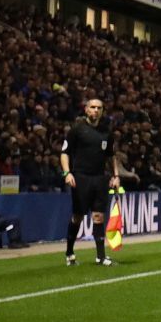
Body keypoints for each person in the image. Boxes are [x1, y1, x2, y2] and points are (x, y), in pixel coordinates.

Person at [60, 97, 114, 267]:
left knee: (98, 216)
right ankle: (69, 252)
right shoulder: (77, 130)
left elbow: (111, 156)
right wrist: (67, 173)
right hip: (81, 177)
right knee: (78, 217)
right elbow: (65, 152)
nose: (95, 110)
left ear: (102, 111)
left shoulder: (106, 132)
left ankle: (101, 256)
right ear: (86, 110)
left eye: (99, 108)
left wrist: (116, 175)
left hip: (100, 178)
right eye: (92, 107)